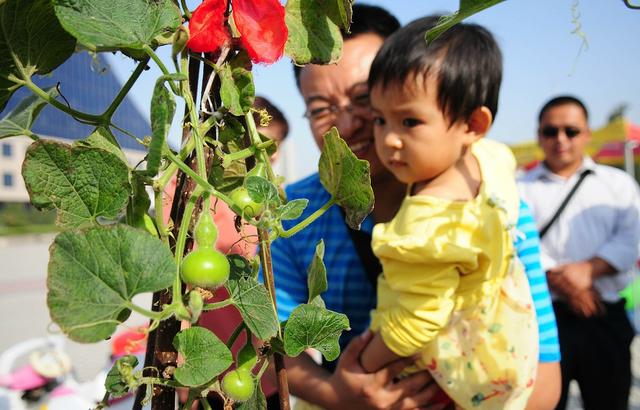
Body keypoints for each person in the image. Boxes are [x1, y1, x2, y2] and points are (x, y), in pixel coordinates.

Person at [270, 5, 560, 409]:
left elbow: (544, 383)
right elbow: (276, 345)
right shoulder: (292, 215)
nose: (348, 124)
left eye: (364, 98)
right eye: (321, 109)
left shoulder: (490, 204)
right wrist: (339, 394)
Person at [352, 17, 538, 409]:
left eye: (410, 121)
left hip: (445, 367)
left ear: (473, 123)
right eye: (380, 119)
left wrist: (362, 365)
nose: (388, 139)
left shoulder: (426, 221)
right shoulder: (491, 157)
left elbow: (415, 326)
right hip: (503, 344)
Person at [164, 95, 289, 409]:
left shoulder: (265, 206)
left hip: (257, 375)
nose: (267, 160)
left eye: (273, 150)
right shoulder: (184, 196)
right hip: (198, 373)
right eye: (259, 146)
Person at [518, 95, 640, 410]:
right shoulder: (519, 187)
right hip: (543, 320)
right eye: (551, 131)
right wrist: (566, 283)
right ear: (539, 135)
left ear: (587, 133)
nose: (561, 139)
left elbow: (631, 240)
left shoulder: (619, 184)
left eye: (571, 131)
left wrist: (586, 272)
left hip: (604, 315)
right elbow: (513, 245)